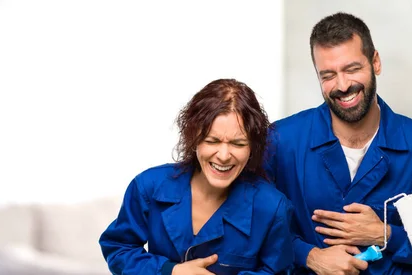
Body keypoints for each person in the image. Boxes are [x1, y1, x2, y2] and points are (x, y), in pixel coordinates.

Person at [265, 12, 412, 275]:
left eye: (352, 69)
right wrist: (310, 255)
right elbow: (251, 223)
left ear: (375, 62)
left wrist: (385, 235)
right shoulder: (281, 141)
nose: (342, 85)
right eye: (328, 75)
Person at [99, 79, 295, 275]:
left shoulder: (273, 208)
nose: (224, 156)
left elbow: (277, 272)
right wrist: (171, 271)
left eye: (238, 144)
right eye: (212, 141)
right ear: (194, 139)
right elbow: (119, 248)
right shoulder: (148, 187)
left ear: (253, 147)